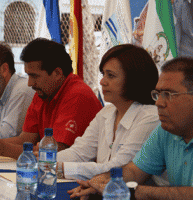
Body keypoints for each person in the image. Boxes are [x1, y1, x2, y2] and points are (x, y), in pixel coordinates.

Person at [70, 57, 193, 200]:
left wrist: (134, 191)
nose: (159, 103)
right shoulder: (166, 130)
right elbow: (134, 171)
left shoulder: (157, 120)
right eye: (157, 94)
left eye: (168, 95)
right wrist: (101, 181)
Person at [0, 38, 102, 159]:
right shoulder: (43, 92)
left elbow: (54, 153)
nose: (29, 83)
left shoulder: (77, 95)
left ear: (58, 73)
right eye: (28, 75)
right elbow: (25, 140)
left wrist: (2, 148)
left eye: (34, 76)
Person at [56, 44, 160, 181]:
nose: (102, 82)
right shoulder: (107, 112)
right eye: (103, 74)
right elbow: (80, 152)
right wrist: (46, 160)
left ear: (133, 79)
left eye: (110, 75)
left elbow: (118, 168)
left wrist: (58, 168)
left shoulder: (150, 117)